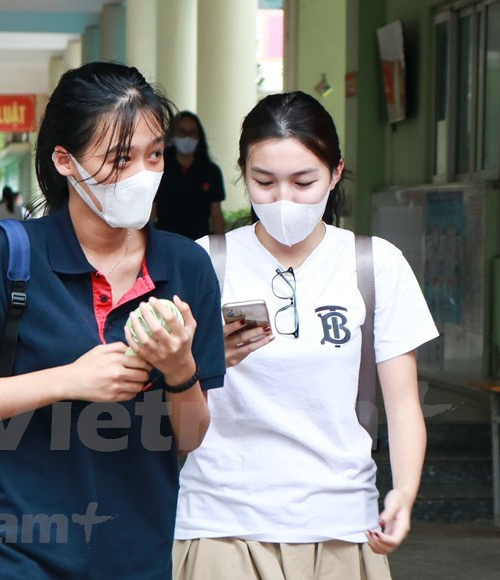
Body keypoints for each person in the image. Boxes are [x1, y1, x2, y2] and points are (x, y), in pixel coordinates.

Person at [0, 62, 225, 578]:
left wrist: (179, 370)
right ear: (65, 161)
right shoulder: (6, 257)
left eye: (153, 156)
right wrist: (69, 380)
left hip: (136, 553)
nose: (142, 175)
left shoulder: (186, 267)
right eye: (119, 159)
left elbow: (189, 436)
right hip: (15, 551)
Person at [174, 92, 440, 579]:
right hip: (220, 521)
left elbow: (402, 404)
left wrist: (403, 492)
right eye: (264, 182)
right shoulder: (203, 262)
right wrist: (206, 360)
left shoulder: (375, 264)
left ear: (335, 172)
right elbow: (168, 394)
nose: (283, 201)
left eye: (303, 182)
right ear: (242, 173)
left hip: (340, 522)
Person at [154, 111, 226, 239]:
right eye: (181, 132)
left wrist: (221, 247)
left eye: (192, 133)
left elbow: (216, 215)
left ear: (199, 137)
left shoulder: (211, 171)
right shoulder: (159, 169)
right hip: (165, 241)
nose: (187, 137)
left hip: (200, 243)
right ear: (172, 135)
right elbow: (152, 211)